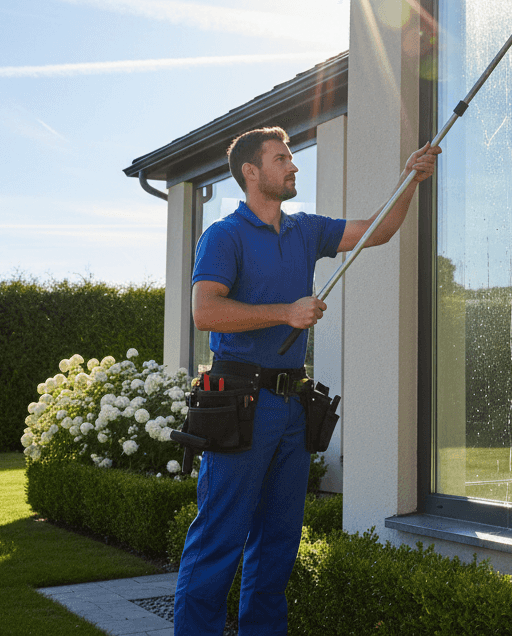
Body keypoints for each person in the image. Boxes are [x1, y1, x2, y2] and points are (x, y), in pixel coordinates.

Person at [174, 125, 441, 636]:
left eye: (291, 157)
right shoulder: (224, 236)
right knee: (219, 541)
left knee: (277, 545)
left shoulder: (306, 230)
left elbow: (377, 230)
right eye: (281, 159)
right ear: (251, 173)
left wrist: (411, 178)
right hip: (239, 404)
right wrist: (286, 313)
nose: (293, 166)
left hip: (292, 407)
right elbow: (205, 312)